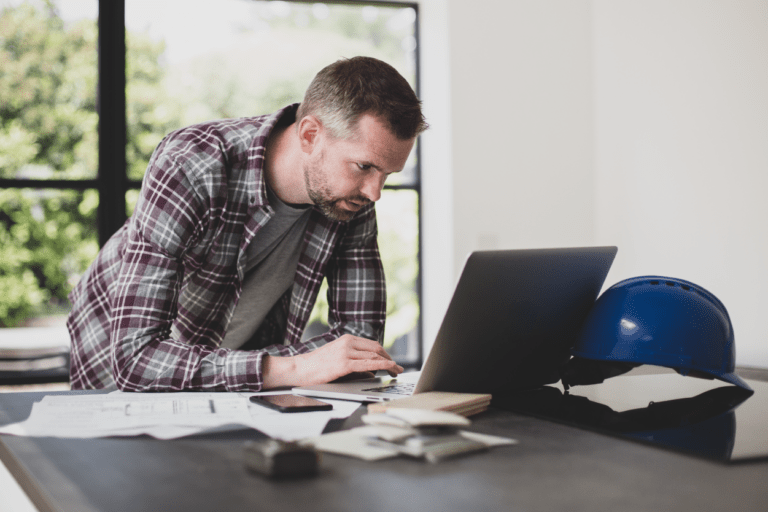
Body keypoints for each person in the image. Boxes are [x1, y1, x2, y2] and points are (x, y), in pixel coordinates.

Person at [67, 56, 428, 392]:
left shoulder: (351, 197)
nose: (375, 193)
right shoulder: (192, 163)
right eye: (364, 166)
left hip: (235, 366)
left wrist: (288, 365)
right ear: (309, 135)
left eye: (386, 173)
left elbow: (360, 340)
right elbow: (136, 359)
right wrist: (298, 367)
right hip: (110, 347)